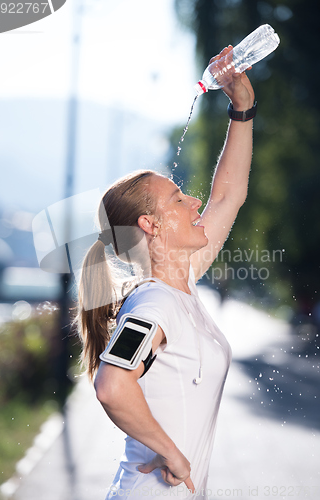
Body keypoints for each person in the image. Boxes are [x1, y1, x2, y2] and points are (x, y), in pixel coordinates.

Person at [76, 46, 255, 499]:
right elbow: (113, 385)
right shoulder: (154, 304)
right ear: (150, 227)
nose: (194, 203)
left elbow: (227, 196)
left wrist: (242, 109)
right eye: (178, 199)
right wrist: (170, 452)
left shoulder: (181, 283)